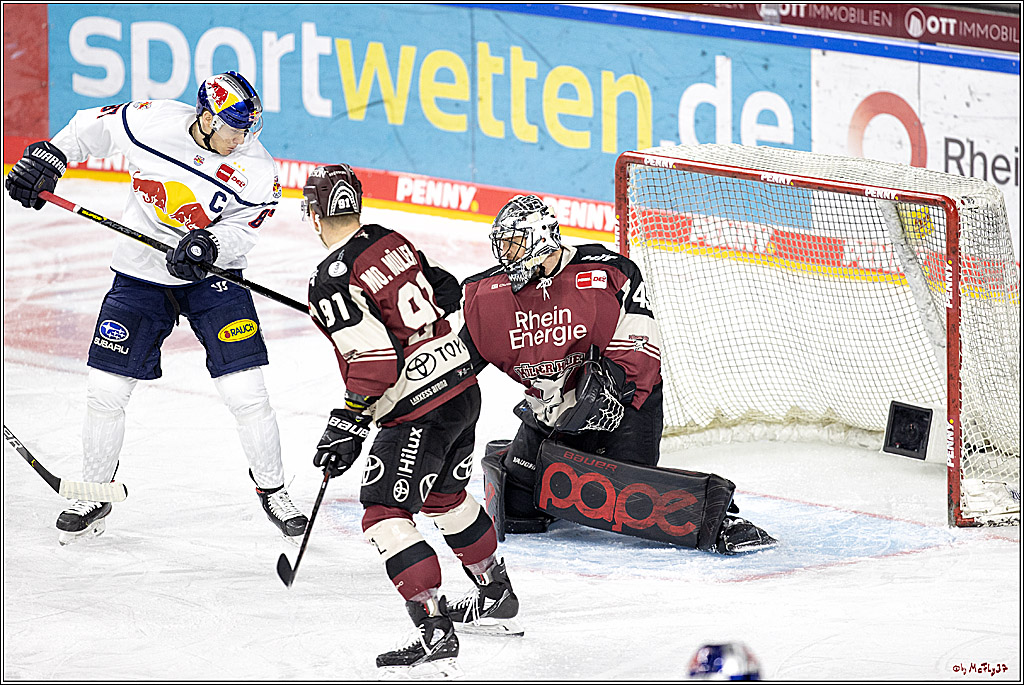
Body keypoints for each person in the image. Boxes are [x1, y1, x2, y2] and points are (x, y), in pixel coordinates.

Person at [4, 71, 308, 545]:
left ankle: (273, 490)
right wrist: (53, 155)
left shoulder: (258, 168)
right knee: (106, 390)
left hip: (211, 279)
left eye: (248, 128)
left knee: (247, 393)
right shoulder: (152, 122)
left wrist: (210, 244)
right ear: (206, 119)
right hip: (139, 274)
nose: (242, 137)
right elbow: (90, 127)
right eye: (233, 127)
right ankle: (95, 491)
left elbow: (244, 228)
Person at [459, 194, 776, 554]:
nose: (506, 256)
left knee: (627, 504)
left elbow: (639, 351)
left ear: (541, 237)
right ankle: (516, 455)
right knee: (518, 514)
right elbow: (459, 363)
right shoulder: (486, 294)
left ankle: (719, 516)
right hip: (549, 415)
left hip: (621, 413)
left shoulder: (608, 271)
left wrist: (609, 392)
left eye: (514, 244)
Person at [301, 164, 521, 677]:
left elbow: (374, 364)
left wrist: (348, 423)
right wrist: (403, 324)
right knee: (444, 497)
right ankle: (496, 595)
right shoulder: (387, 239)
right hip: (462, 387)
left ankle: (434, 630)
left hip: (417, 408)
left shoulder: (328, 280)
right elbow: (444, 288)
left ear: (315, 214)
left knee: (384, 514)